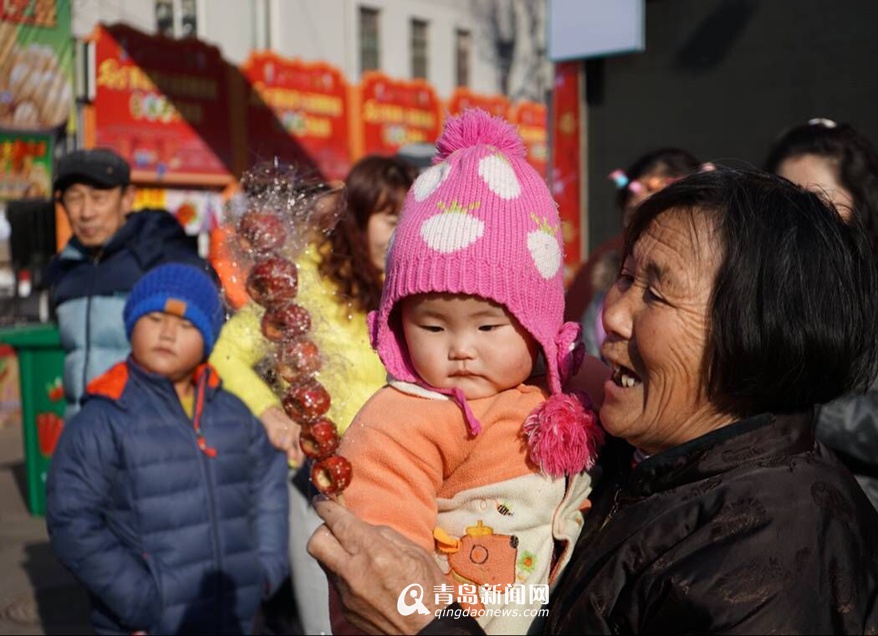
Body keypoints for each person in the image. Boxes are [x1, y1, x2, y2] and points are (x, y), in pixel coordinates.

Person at [309, 168, 878, 635]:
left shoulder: (775, 555)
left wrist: (426, 623)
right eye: (626, 277)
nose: (612, 317)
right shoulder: (649, 462)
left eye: (657, 293)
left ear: (759, 335)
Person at [335, 109, 600, 634]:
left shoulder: (564, 379)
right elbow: (381, 550)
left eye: (487, 328)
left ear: (536, 325)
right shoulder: (404, 419)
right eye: (432, 328)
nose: (460, 350)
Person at [209, 154, 418, 635]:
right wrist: (270, 412)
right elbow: (225, 354)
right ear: (356, 221)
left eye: (410, 217)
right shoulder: (304, 282)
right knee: (331, 621)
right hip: (319, 482)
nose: (401, 231)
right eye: (391, 218)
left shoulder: (408, 288)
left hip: (394, 480)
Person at [765, 117, 878, 635]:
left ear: (862, 203)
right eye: (786, 199)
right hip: (771, 560)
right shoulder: (763, 298)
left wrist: (813, 414)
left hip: (876, 560)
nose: (802, 217)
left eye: (819, 199)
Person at [46, 263, 288, 635]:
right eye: (155, 317)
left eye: (188, 324)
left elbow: (267, 481)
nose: (168, 333)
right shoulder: (103, 417)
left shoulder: (233, 413)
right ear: (132, 323)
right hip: (143, 622)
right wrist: (140, 601)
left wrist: (265, 571)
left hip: (234, 614)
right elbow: (72, 519)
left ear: (208, 340)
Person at [46, 148, 208, 421]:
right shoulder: (64, 270)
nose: (85, 212)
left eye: (98, 198)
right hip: (82, 435)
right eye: (74, 199)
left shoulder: (161, 259)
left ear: (127, 199)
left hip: (148, 435)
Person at [575, 148, 703, 356]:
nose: (647, 230)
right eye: (635, 215)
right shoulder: (601, 308)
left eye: (663, 215)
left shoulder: (718, 304)